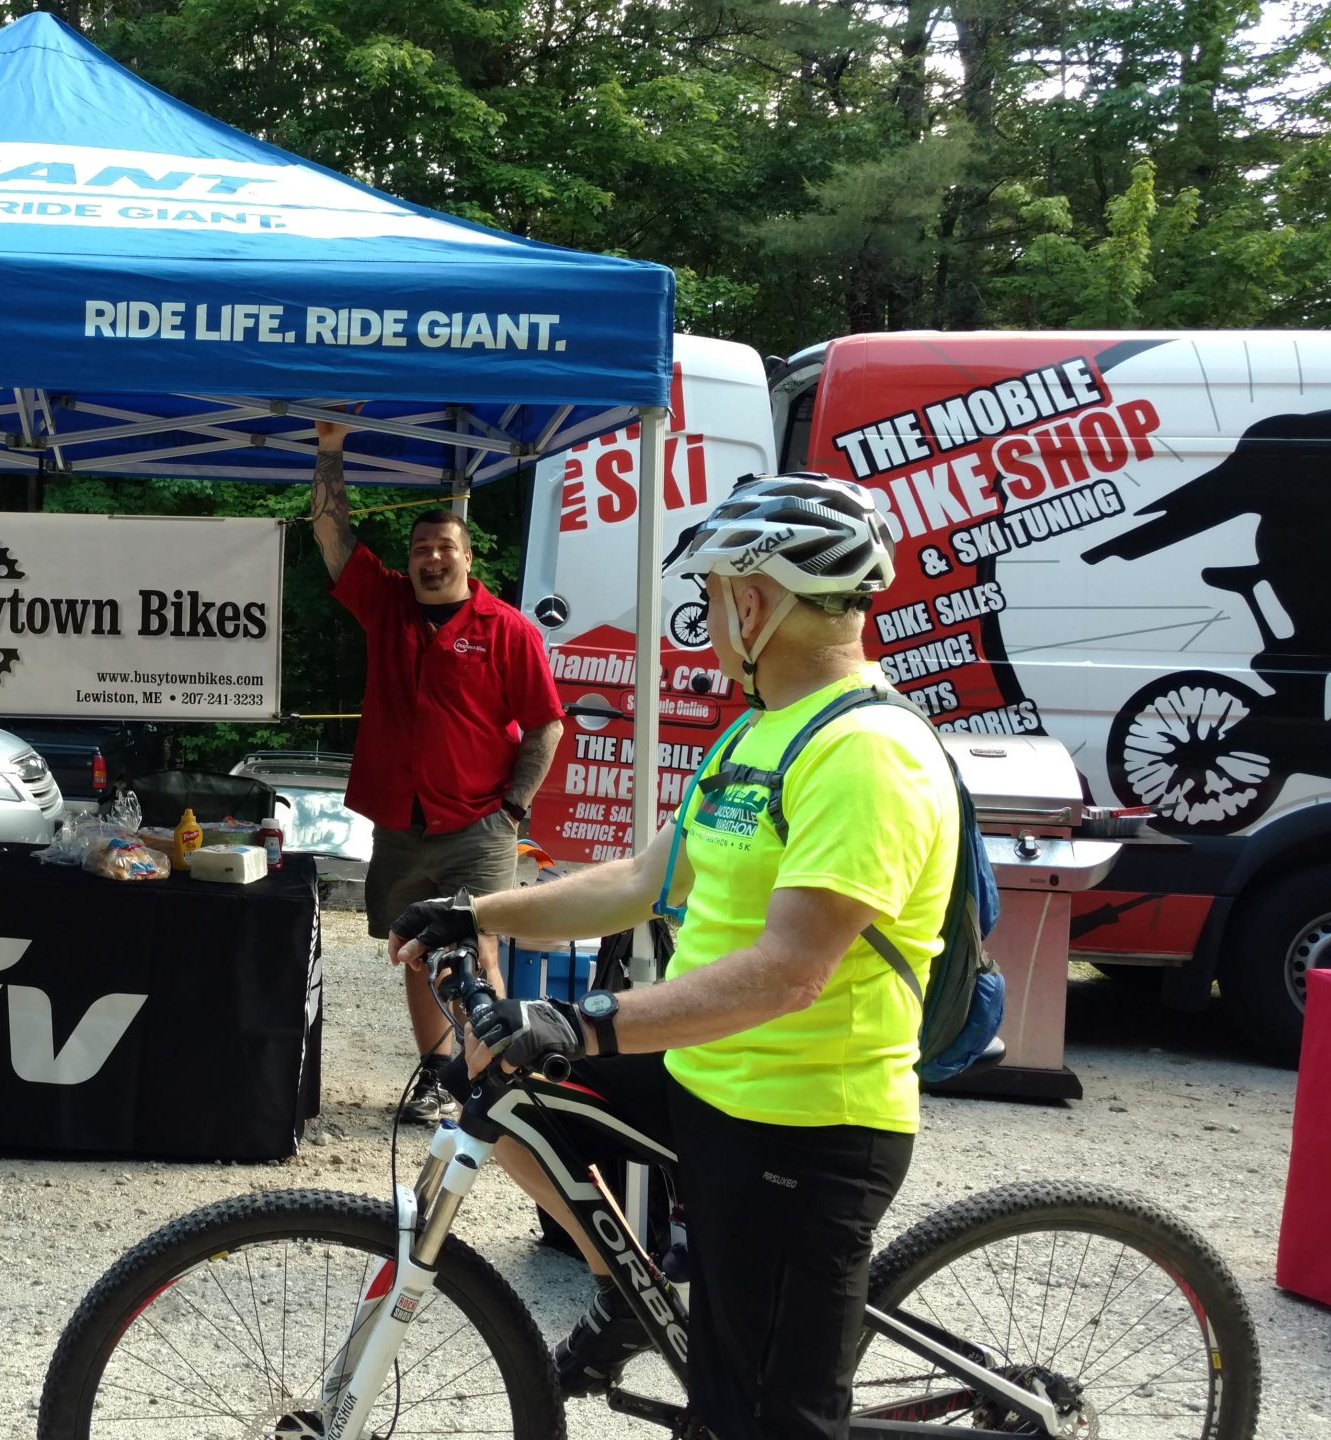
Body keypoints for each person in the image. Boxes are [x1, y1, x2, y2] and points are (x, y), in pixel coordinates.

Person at [392, 472, 956, 1440]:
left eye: (706, 597)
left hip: (804, 1125)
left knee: (754, 1424)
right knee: (501, 1084)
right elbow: (639, 882)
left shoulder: (866, 755)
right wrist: (472, 911)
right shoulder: (757, 731)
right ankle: (630, 1288)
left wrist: (580, 1019)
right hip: (709, 1078)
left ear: (753, 600)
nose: (704, 617)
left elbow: (790, 971)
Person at [309, 416, 564, 1123]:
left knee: (479, 954)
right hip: (399, 825)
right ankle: (436, 1073)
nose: (430, 558)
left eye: (444, 547)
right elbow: (332, 538)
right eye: (421, 548)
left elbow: (546, 722)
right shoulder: (387, 606)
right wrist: (330, 452)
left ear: (467, 557)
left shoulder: (505, 628)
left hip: (478, 825)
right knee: (418, 954)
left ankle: (494, 1077)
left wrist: (512, 809)